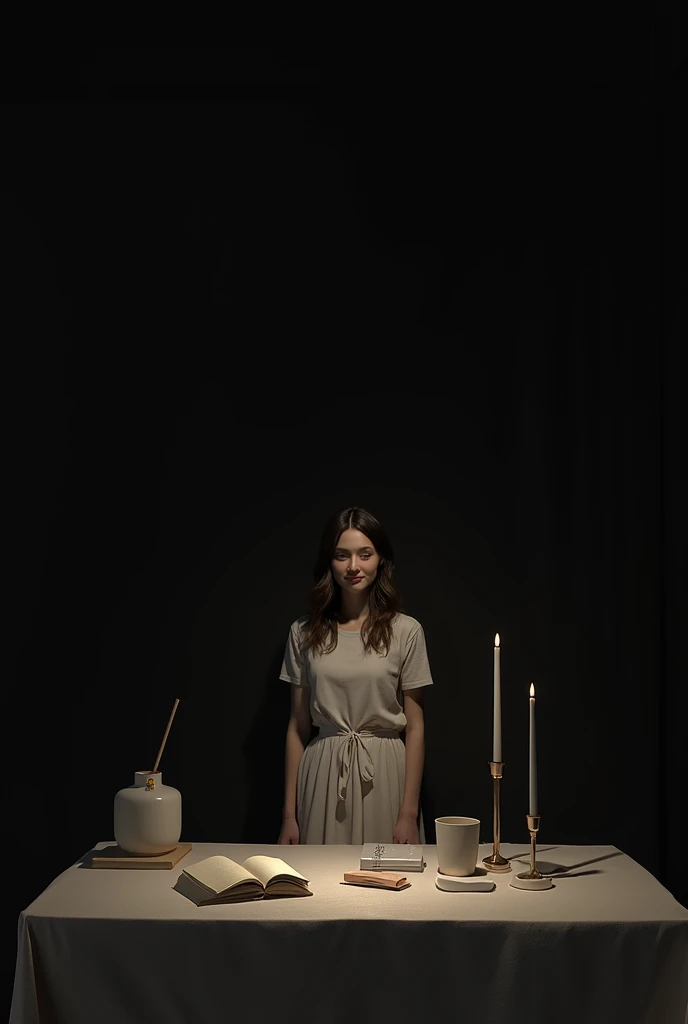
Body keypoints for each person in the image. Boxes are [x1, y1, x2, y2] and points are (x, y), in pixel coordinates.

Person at [277, 506, 434, 845]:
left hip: (386, 771)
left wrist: (408, 814)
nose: (353, 567)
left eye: (364, 554)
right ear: (328, 561)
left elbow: (416, 727)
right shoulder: (303, 632)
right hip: (322, 772)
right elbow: (298, 727)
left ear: (380, 559)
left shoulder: (406, 631)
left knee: (389, 888)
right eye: (341, 555)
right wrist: (289, 816)